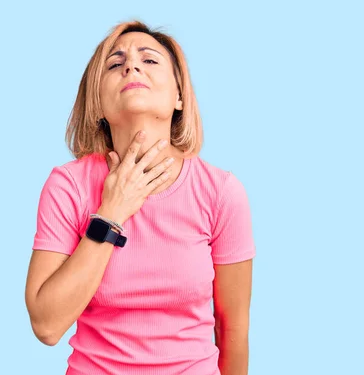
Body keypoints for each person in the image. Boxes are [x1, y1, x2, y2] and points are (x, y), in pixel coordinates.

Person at [25, 20, 256, 375]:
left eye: (149, 60)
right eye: (115, 64)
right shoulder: (67, 186)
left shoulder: (221, 192)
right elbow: (46, 325)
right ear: (98, 103)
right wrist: (111, 212)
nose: (131, 65)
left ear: (179, 96)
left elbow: (233, 329)